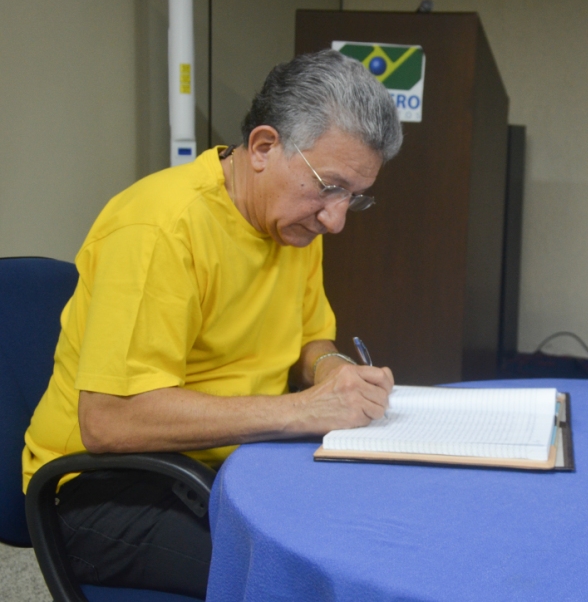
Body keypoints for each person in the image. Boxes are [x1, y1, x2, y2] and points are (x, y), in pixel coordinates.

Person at [21, 49, 402, 598]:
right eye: (329, 186)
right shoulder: (161, 227)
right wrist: (301, 410)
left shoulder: (294, 224)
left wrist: (334, 371)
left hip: (231, 464)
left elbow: (310, 340)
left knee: (372, 534)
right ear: (265, 147)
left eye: (354, 198)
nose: (335, 219)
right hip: (107, 490)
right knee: (310, 579)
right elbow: (108, 421)